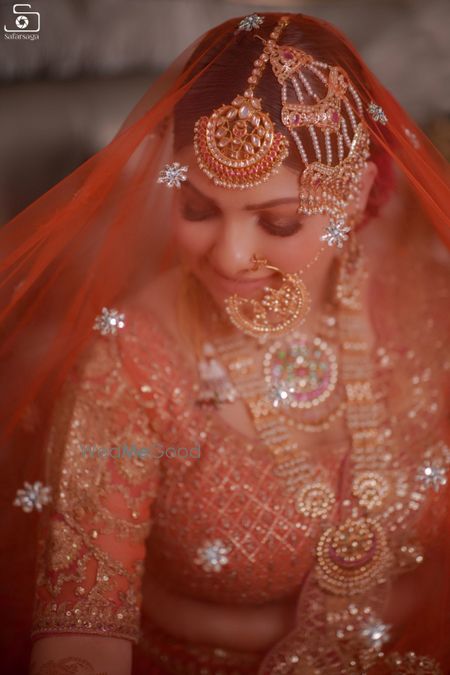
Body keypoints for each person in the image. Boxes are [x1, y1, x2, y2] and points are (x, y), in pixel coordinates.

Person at [0, 11, 449, 675]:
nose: (232, 257)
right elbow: (82, 635)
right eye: (199, 210)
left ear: (353, 196)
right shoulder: (129, 361)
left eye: (280, 220)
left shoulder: (427, 302)